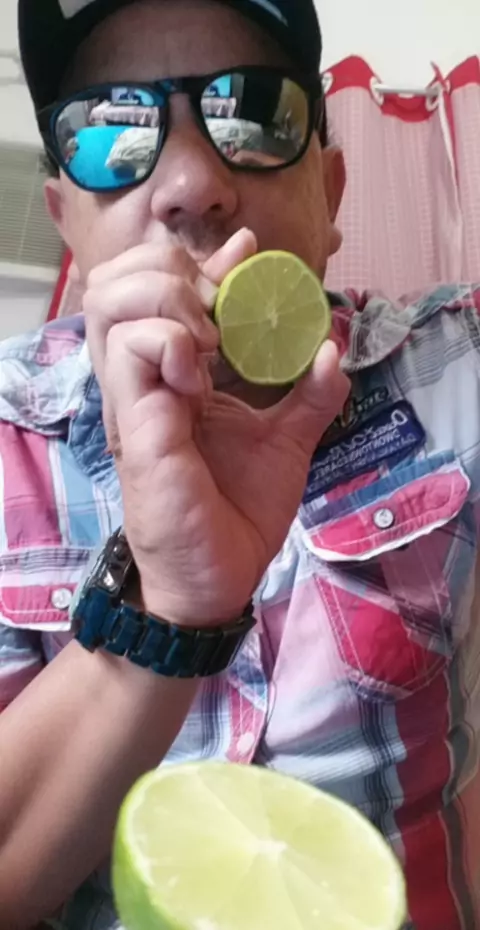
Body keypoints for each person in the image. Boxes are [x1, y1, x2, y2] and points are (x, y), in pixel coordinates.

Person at [1, 0, 479, 928]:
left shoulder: (453, 369)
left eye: (253, 110)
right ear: (66, 221)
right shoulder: (8, 440)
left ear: (330, 194)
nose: (190, 184)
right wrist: (164, 607)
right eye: (112, 130)